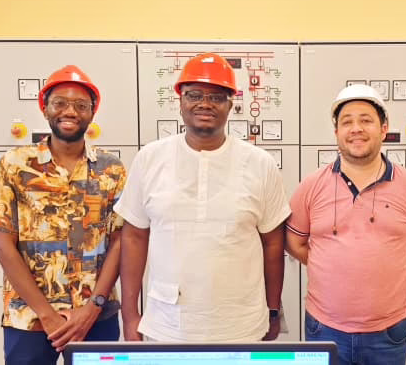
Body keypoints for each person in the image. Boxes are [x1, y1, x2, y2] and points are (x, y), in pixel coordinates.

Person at [116, 52, 291, 342]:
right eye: (194, 95)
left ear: (230, 105)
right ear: (180, 101)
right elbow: (134, 237)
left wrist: (273, 310)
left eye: (216, 97)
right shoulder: (150, 158)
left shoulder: (260, 163)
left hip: (241, 325)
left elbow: (273, 243)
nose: (205, 104)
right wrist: (130, 313)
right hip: (168, 323)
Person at [286, 84, 406, 365]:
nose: (356, 129)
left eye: (366, 120)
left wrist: (395, 268)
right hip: (324, 327)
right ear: (336, 132)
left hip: (388, 332)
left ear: (384, 129)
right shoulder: (311, 186)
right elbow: (294, 242)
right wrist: (328, 264)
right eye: (347, 122)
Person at [0, 64, 126, 365]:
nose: (70, 111)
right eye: (60, 103)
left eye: (80, 105)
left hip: (96, 317)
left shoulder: (111, 170)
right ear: (45, 108)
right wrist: (47, 315)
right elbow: (2, 245)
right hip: (30, 318)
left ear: (92, 112)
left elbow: (120, 242)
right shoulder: (15, 165)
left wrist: (92, 308)